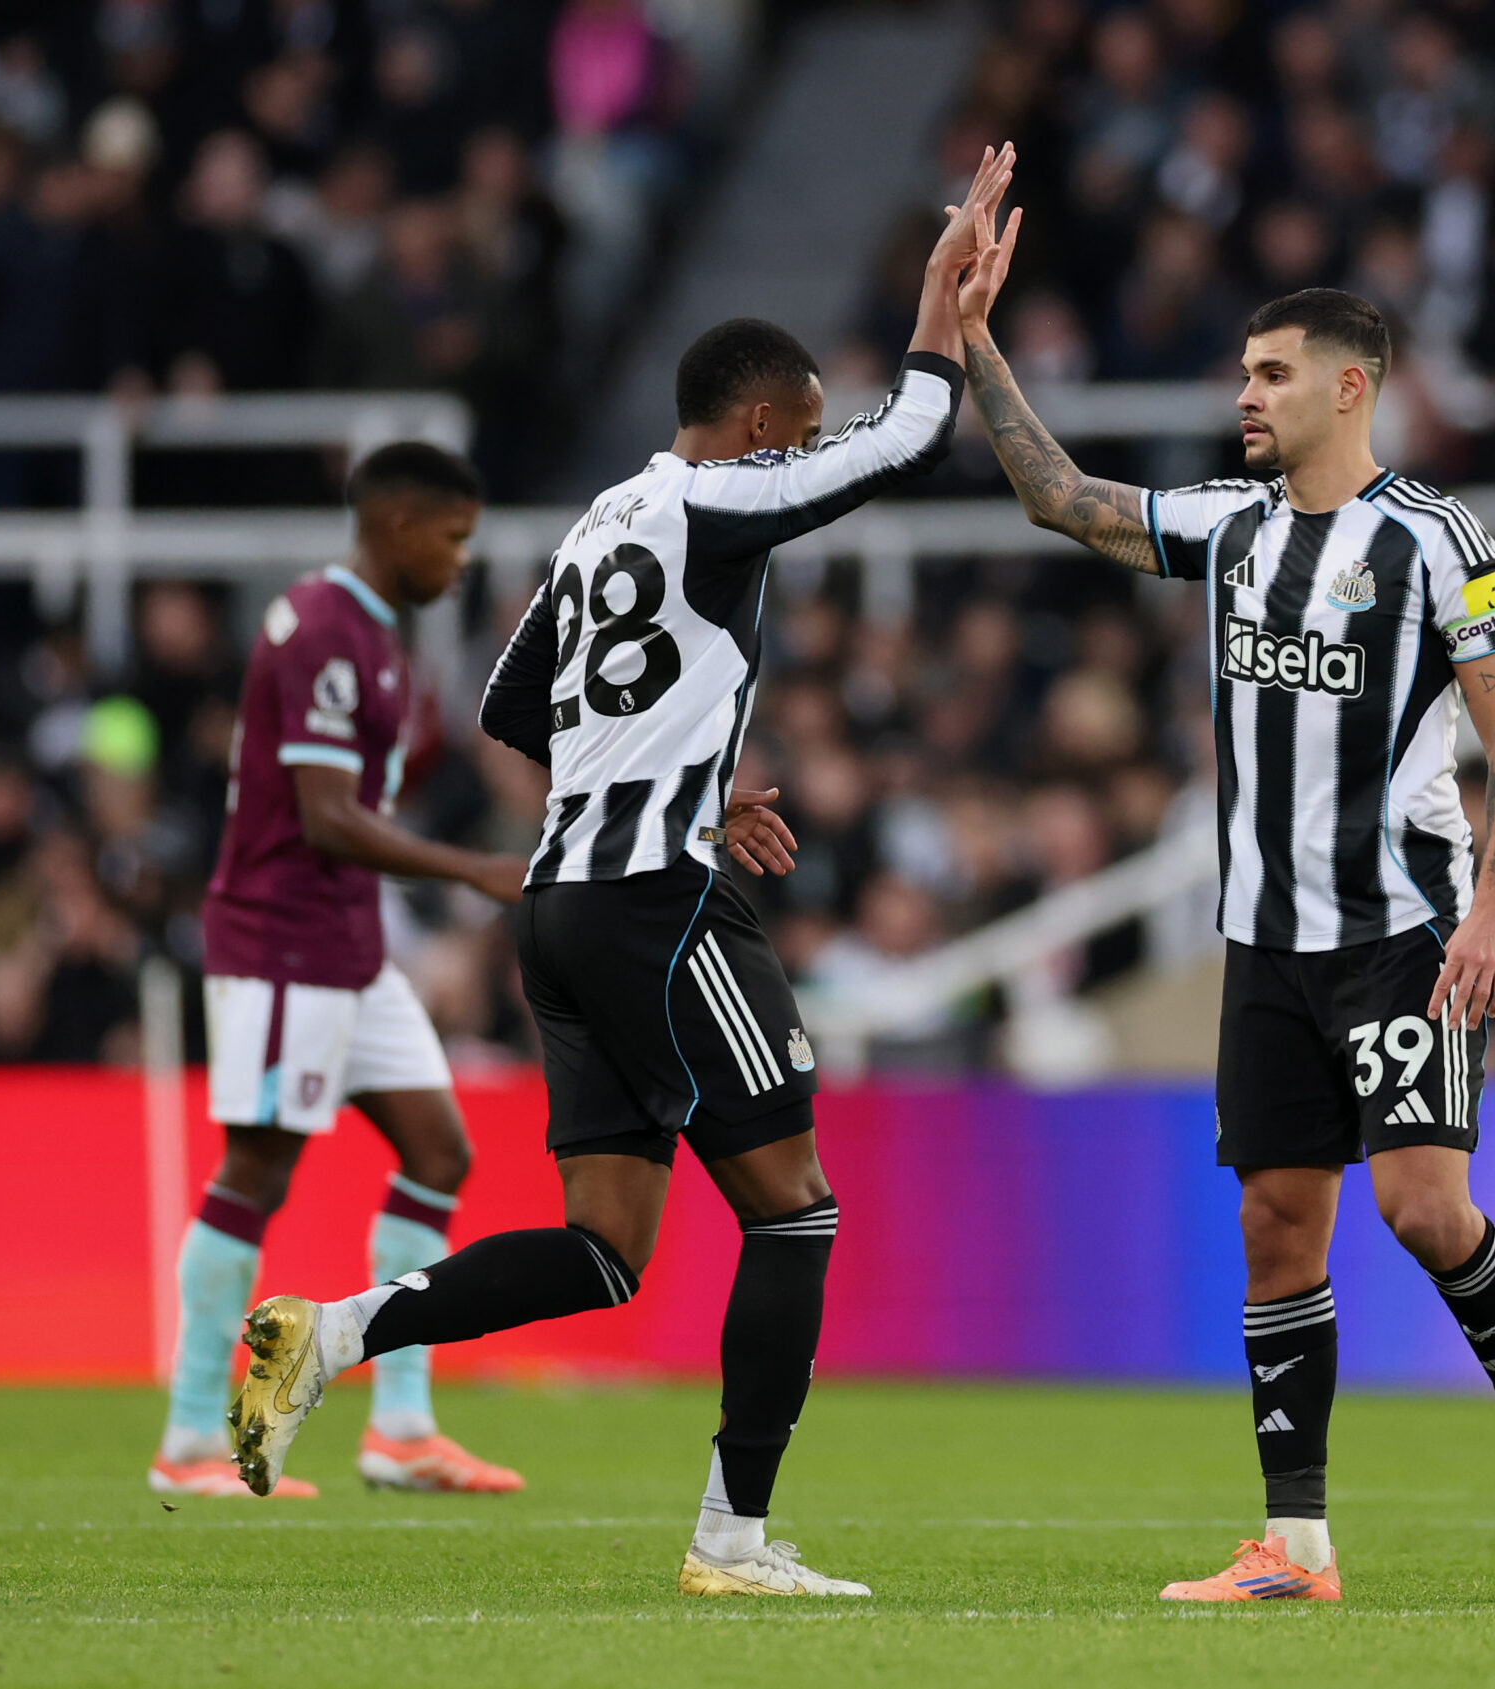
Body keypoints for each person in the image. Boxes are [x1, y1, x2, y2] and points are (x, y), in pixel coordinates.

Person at [224, 146, 1017, 1598]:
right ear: (763, 422)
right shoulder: (719, 497)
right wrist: (936, 305)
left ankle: (331, 1333)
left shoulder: (605, 517)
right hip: (656, 904)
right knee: (797, 1208)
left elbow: (512, 703)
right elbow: (907, 440)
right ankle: (734, 1540)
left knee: (606, 1245)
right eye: (798, 434)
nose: (801, 454)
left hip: (564, 906)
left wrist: (675, 786)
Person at [956, 192, 1495, 1600]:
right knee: (1275, 1228)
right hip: (1267, 940)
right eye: (1244, 373)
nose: (1245, 395)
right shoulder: (1233, 528)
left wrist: (1492, 910)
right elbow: (1063, 501)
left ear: (1350, 388)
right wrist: (976, 337)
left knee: (1424, 1210)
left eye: (1272, 373)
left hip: (1404, 934)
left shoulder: (1439, 539)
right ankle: (1296, 1541)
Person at [151, 442, 528, 1501]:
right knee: (257, 1172)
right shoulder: (321, 628)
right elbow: (324, 817)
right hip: (282, 946)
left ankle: (400, 1428)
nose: (459, 561)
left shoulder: (373, 638)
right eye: (452, 538)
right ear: (398, 525)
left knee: (439, 1151)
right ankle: (189, 1437)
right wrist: (472, 869)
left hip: (348, 945)